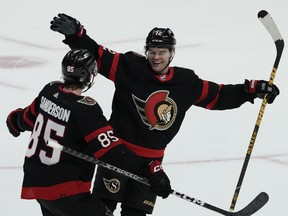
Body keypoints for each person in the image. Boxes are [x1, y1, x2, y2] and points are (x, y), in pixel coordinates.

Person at [50, 14, 280, 216]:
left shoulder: (186, 82)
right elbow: (98, 54)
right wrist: (76, 35)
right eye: (151, 51)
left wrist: (250, 89)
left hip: (151, 164)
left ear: (172, 54)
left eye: (162, 52)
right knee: (103, 209)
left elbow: (218, 95)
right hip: (117, 155)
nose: (156, 57)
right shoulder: (129, 66)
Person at [6, 49, 169, 216]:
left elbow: (26, 118)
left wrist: (14, 122)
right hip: (67, 192)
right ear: (90, 76)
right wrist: (150, 169)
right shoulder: (85, 108)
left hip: (38, 186)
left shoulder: (49, 90)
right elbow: (112, 152)